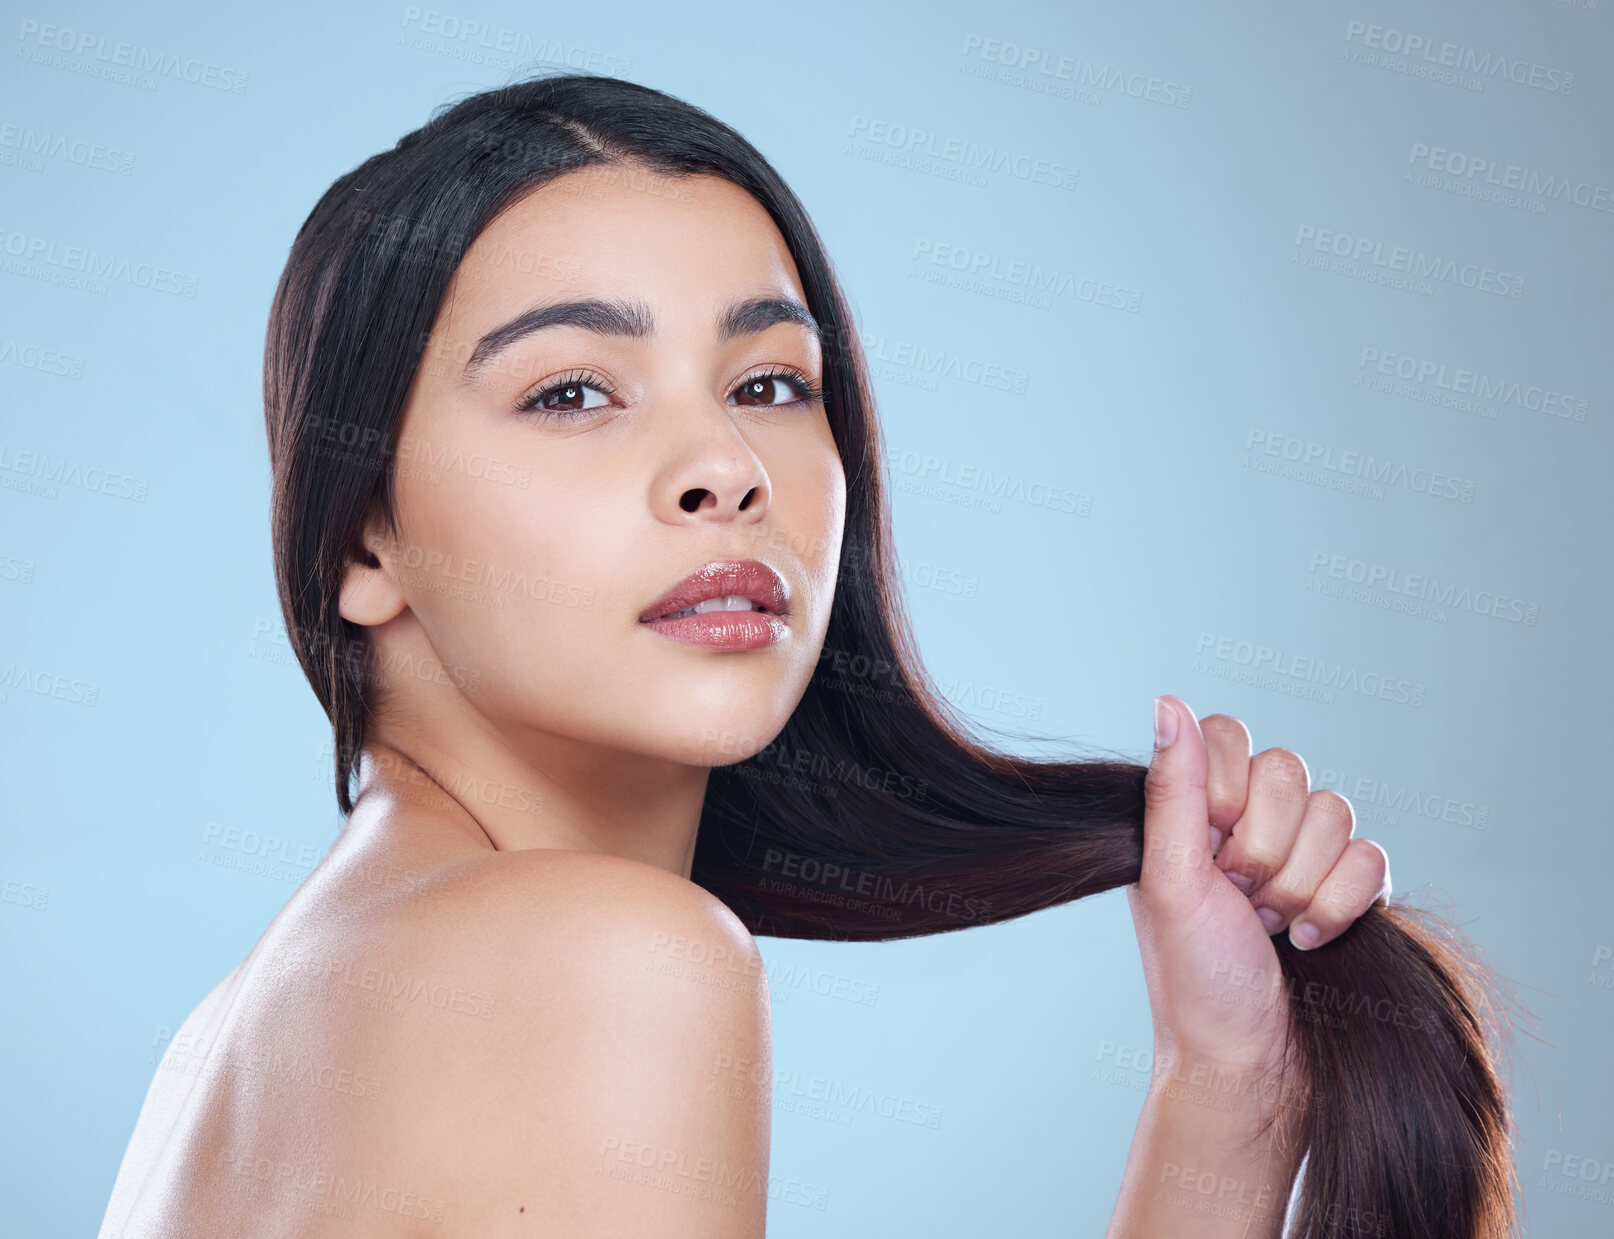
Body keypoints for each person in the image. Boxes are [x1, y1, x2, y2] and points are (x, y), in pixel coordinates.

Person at [99, 71, 1511, 1238]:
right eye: (572, 390)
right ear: (360, 543)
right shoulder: (596, 958)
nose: (722, 463)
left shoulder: (243, 1037)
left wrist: (1229, 1075)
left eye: (770, 383)